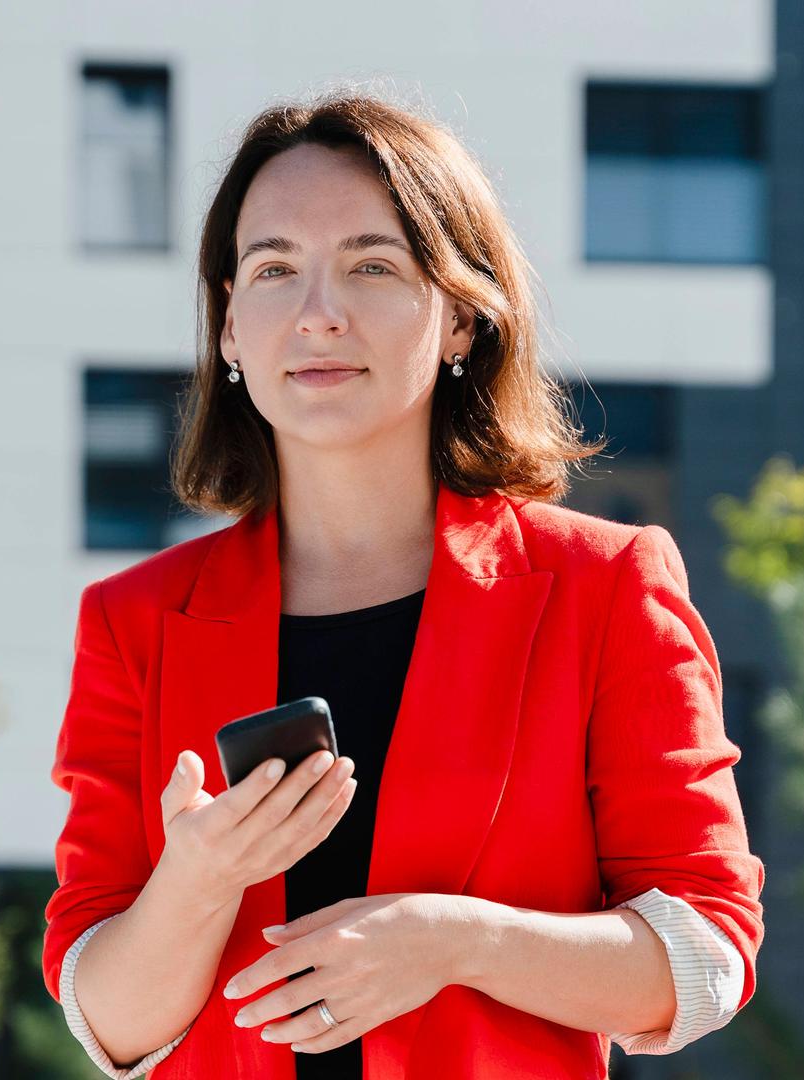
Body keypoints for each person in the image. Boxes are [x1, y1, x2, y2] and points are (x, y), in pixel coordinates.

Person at [42, 88, 765, 1080]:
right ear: (229, 332)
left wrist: (454, 943)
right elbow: (110, 1023)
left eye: (373, 267)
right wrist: (197, 882)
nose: (318, 314)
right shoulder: (133, 622)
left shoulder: (604, 587)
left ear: (462, 319)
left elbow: (707, 958)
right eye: (274, 271)